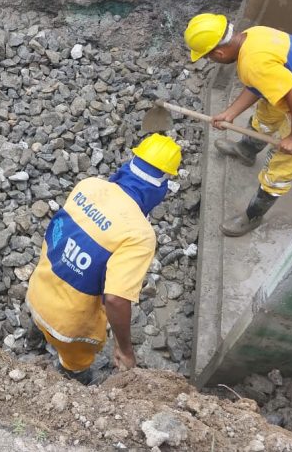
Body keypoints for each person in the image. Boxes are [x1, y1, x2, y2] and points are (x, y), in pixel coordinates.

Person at [25, 134, 182, 384]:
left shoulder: (89, 185)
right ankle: (72, 378)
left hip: (36, 291)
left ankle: (33, 338)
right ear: (161, 186)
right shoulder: (139, 235)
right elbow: (115, 299)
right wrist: (125, 349)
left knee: (44, 321)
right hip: (70, 327)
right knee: (75, 366)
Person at [184, 12, 292, 237]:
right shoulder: (253, 35)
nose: (210, 60)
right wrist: (230, 113)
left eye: (208, 57)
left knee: (282, 165)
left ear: (219, 52)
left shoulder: (253, 62)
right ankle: (246, 150)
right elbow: (259, 84)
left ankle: (253, 215)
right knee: (266, 113)